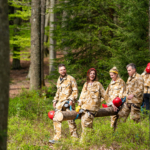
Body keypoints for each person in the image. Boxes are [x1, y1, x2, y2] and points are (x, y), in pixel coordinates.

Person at [49, 64, 78, 144]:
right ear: (59, 71)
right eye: (61, 70)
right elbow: (58, 92)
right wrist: (55, 100)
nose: (63, 71)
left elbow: (75, 91)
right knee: (56, 119)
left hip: (68, 103)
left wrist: (72, 99)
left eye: (64, 69)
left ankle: (75, 139)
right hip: (60, 104)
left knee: (71, 121)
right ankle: (57, 139)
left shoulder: (71, 79)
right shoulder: (59, 80)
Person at [78, 68, 105, 141]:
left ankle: (83, 143)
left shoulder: (98, 84)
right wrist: (79, 103)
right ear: (88, 75)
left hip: (92, 109)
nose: (92, 75)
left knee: (86, 126)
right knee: (85, 126)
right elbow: (81, 95)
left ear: (95, 75)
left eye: (94, 74)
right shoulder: (86, 84)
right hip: (84, 108)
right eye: (91, 73)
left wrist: (112, 104)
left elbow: (105, 95)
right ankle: (92, 141)